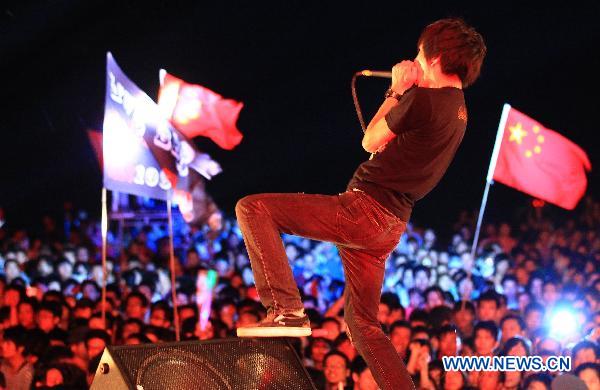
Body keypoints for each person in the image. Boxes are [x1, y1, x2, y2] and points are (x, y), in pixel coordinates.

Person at [235, 17, 486, 390]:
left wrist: (397, 89)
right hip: (390, 225)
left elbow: (370, 140)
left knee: (252, 208)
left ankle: (286, 310)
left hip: (364, 211)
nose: (413, 60)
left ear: (435, 57)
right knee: (364, 326)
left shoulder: (424, 98)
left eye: (419, 53)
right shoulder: (459, 110)